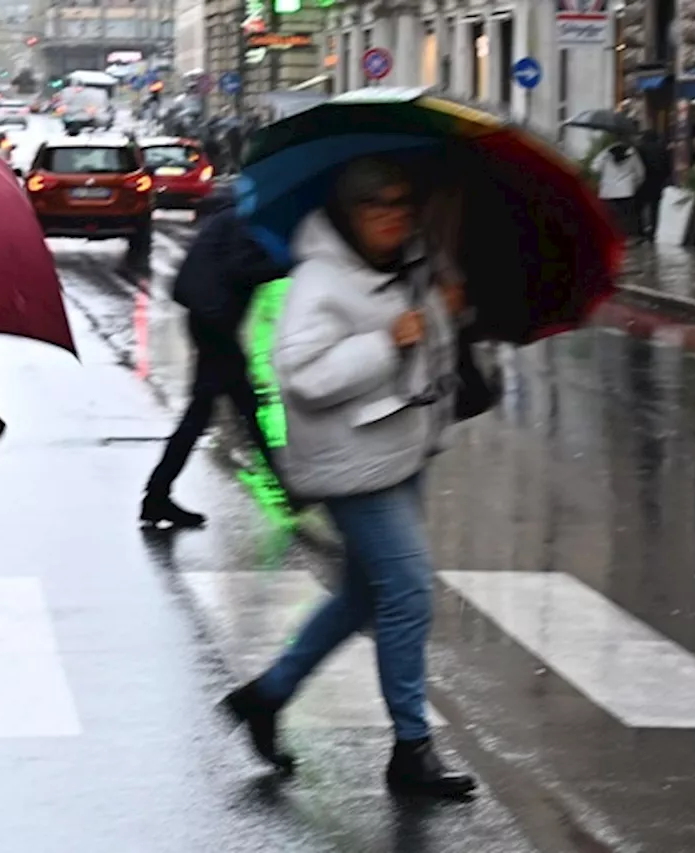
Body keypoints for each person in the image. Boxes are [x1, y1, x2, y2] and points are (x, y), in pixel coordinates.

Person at [219, 157, 478, 800]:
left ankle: (268, 695)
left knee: (366, 593)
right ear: (346, 212)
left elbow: (426, 353)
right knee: (410, 591)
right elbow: (302, 375)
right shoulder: (321, 280)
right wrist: (389, 341)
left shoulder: (411, 263)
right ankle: (411, 749)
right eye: (376, 204)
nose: (393, 214)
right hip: (350, 462)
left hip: (399, 450)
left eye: (402, 202)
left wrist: (445, 314)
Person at [141, 185, 289, 527]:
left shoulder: (229, 215)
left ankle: (158, 495)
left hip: (207, 316)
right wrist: (285, 264)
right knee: (211, 412)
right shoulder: (243, 220)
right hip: (214, 320)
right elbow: (241, 268)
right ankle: (157, 495)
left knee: (240, 405)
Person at [591, 141, 646, 238]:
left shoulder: (606, 153)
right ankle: (626, 238)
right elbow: (640, 173)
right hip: (626, 191)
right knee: (626, 218)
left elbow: (594, 168)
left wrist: (603, 157)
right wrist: (634, 186)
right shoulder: (633, 154)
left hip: (608, 192)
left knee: (609, 217)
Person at [635, 130, 671, 240]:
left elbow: (637, 166)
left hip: (643, 181)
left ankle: (640, 230)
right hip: (657, 181)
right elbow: (667, 166)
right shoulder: (662, 149)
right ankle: (653, 231)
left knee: (639, 207)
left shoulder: (639, 149)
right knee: (655, 208)